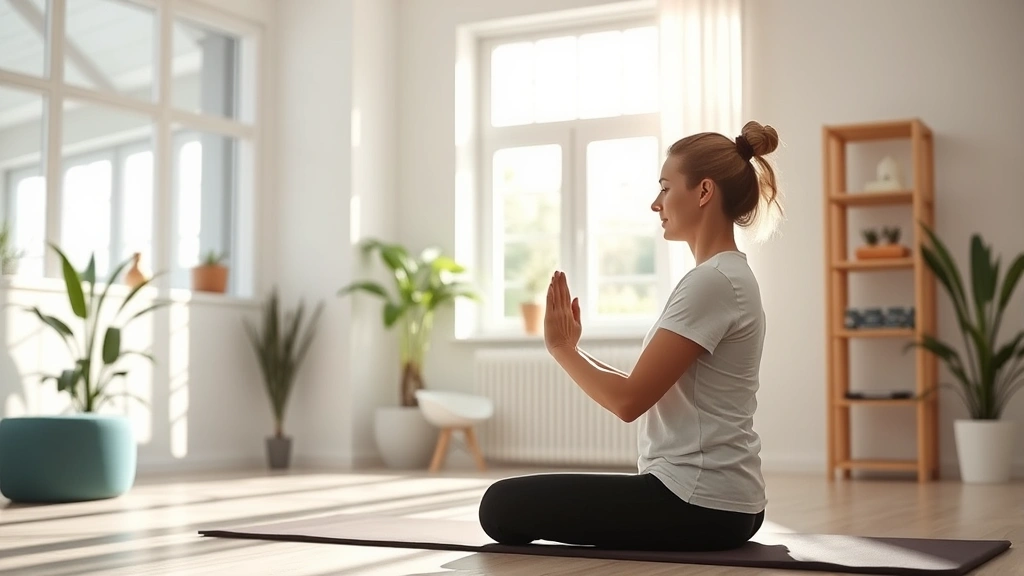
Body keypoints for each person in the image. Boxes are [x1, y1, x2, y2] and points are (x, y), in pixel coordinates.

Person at [477, 120, 783, 552]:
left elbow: (628, 402)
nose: (655, 203)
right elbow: (640, 387)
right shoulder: (726, 276)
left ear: (703, 192)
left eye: (664, 187)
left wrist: (561, 350)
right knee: (510, 501)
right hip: (725, 501)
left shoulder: (712, 282)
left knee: (499, 505)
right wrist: (574, 350)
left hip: (697, 502)